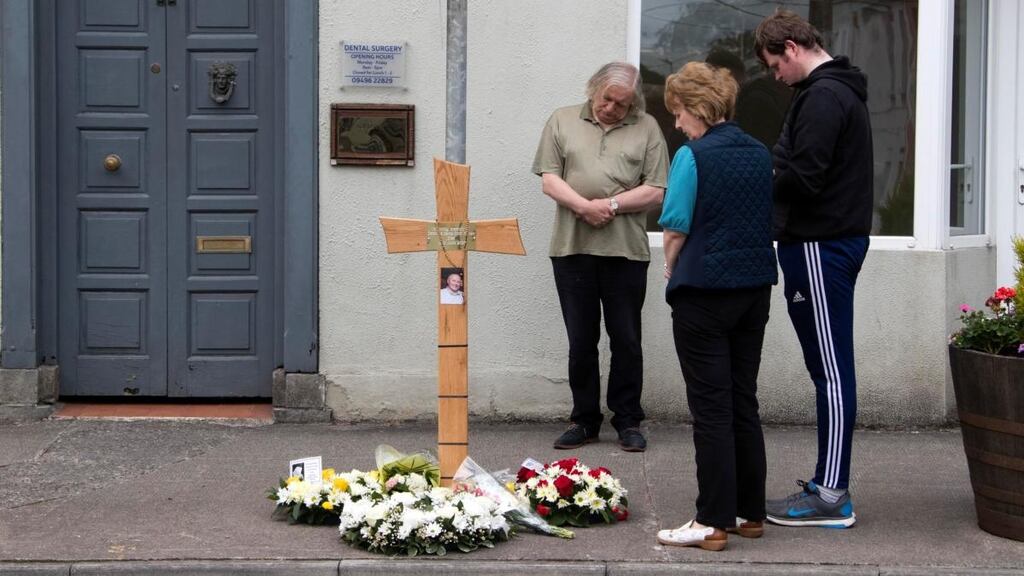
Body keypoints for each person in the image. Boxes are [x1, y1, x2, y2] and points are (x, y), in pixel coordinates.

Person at [755, 9, 872, 528]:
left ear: (792, 48)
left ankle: (831, 495)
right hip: (820, 243)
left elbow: (805, 175)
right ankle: (829, 487)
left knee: (830, 370)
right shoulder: (831, 91)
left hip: (820, 246)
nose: (775, 76)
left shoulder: (824, 96)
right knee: (828, 368)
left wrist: (760, 178)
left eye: (775, 65)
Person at [654, 62, 777, 551]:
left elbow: (675, 227)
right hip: (754, 290)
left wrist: (670, 267)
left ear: (698, 108)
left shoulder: (692, 156)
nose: (678, 123)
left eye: (679, 113)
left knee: (710, 409)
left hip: (703, 293)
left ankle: (711, 521)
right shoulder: (758, 151)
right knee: (742, 400)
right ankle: (750, 513)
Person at [532, 62, 669, 453]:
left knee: (626, 339)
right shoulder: (561, 120)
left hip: (625, 252)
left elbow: (656, 189)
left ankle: (628, 420)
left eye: (622, 104)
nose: (611, 108)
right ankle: (584, 420)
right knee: (581, 340)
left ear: (634, 103)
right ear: (593, 89)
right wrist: (583, 207)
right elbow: (549, 179)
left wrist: (607, 204)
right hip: (572, 249)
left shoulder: (648, 128)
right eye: (607, 98)